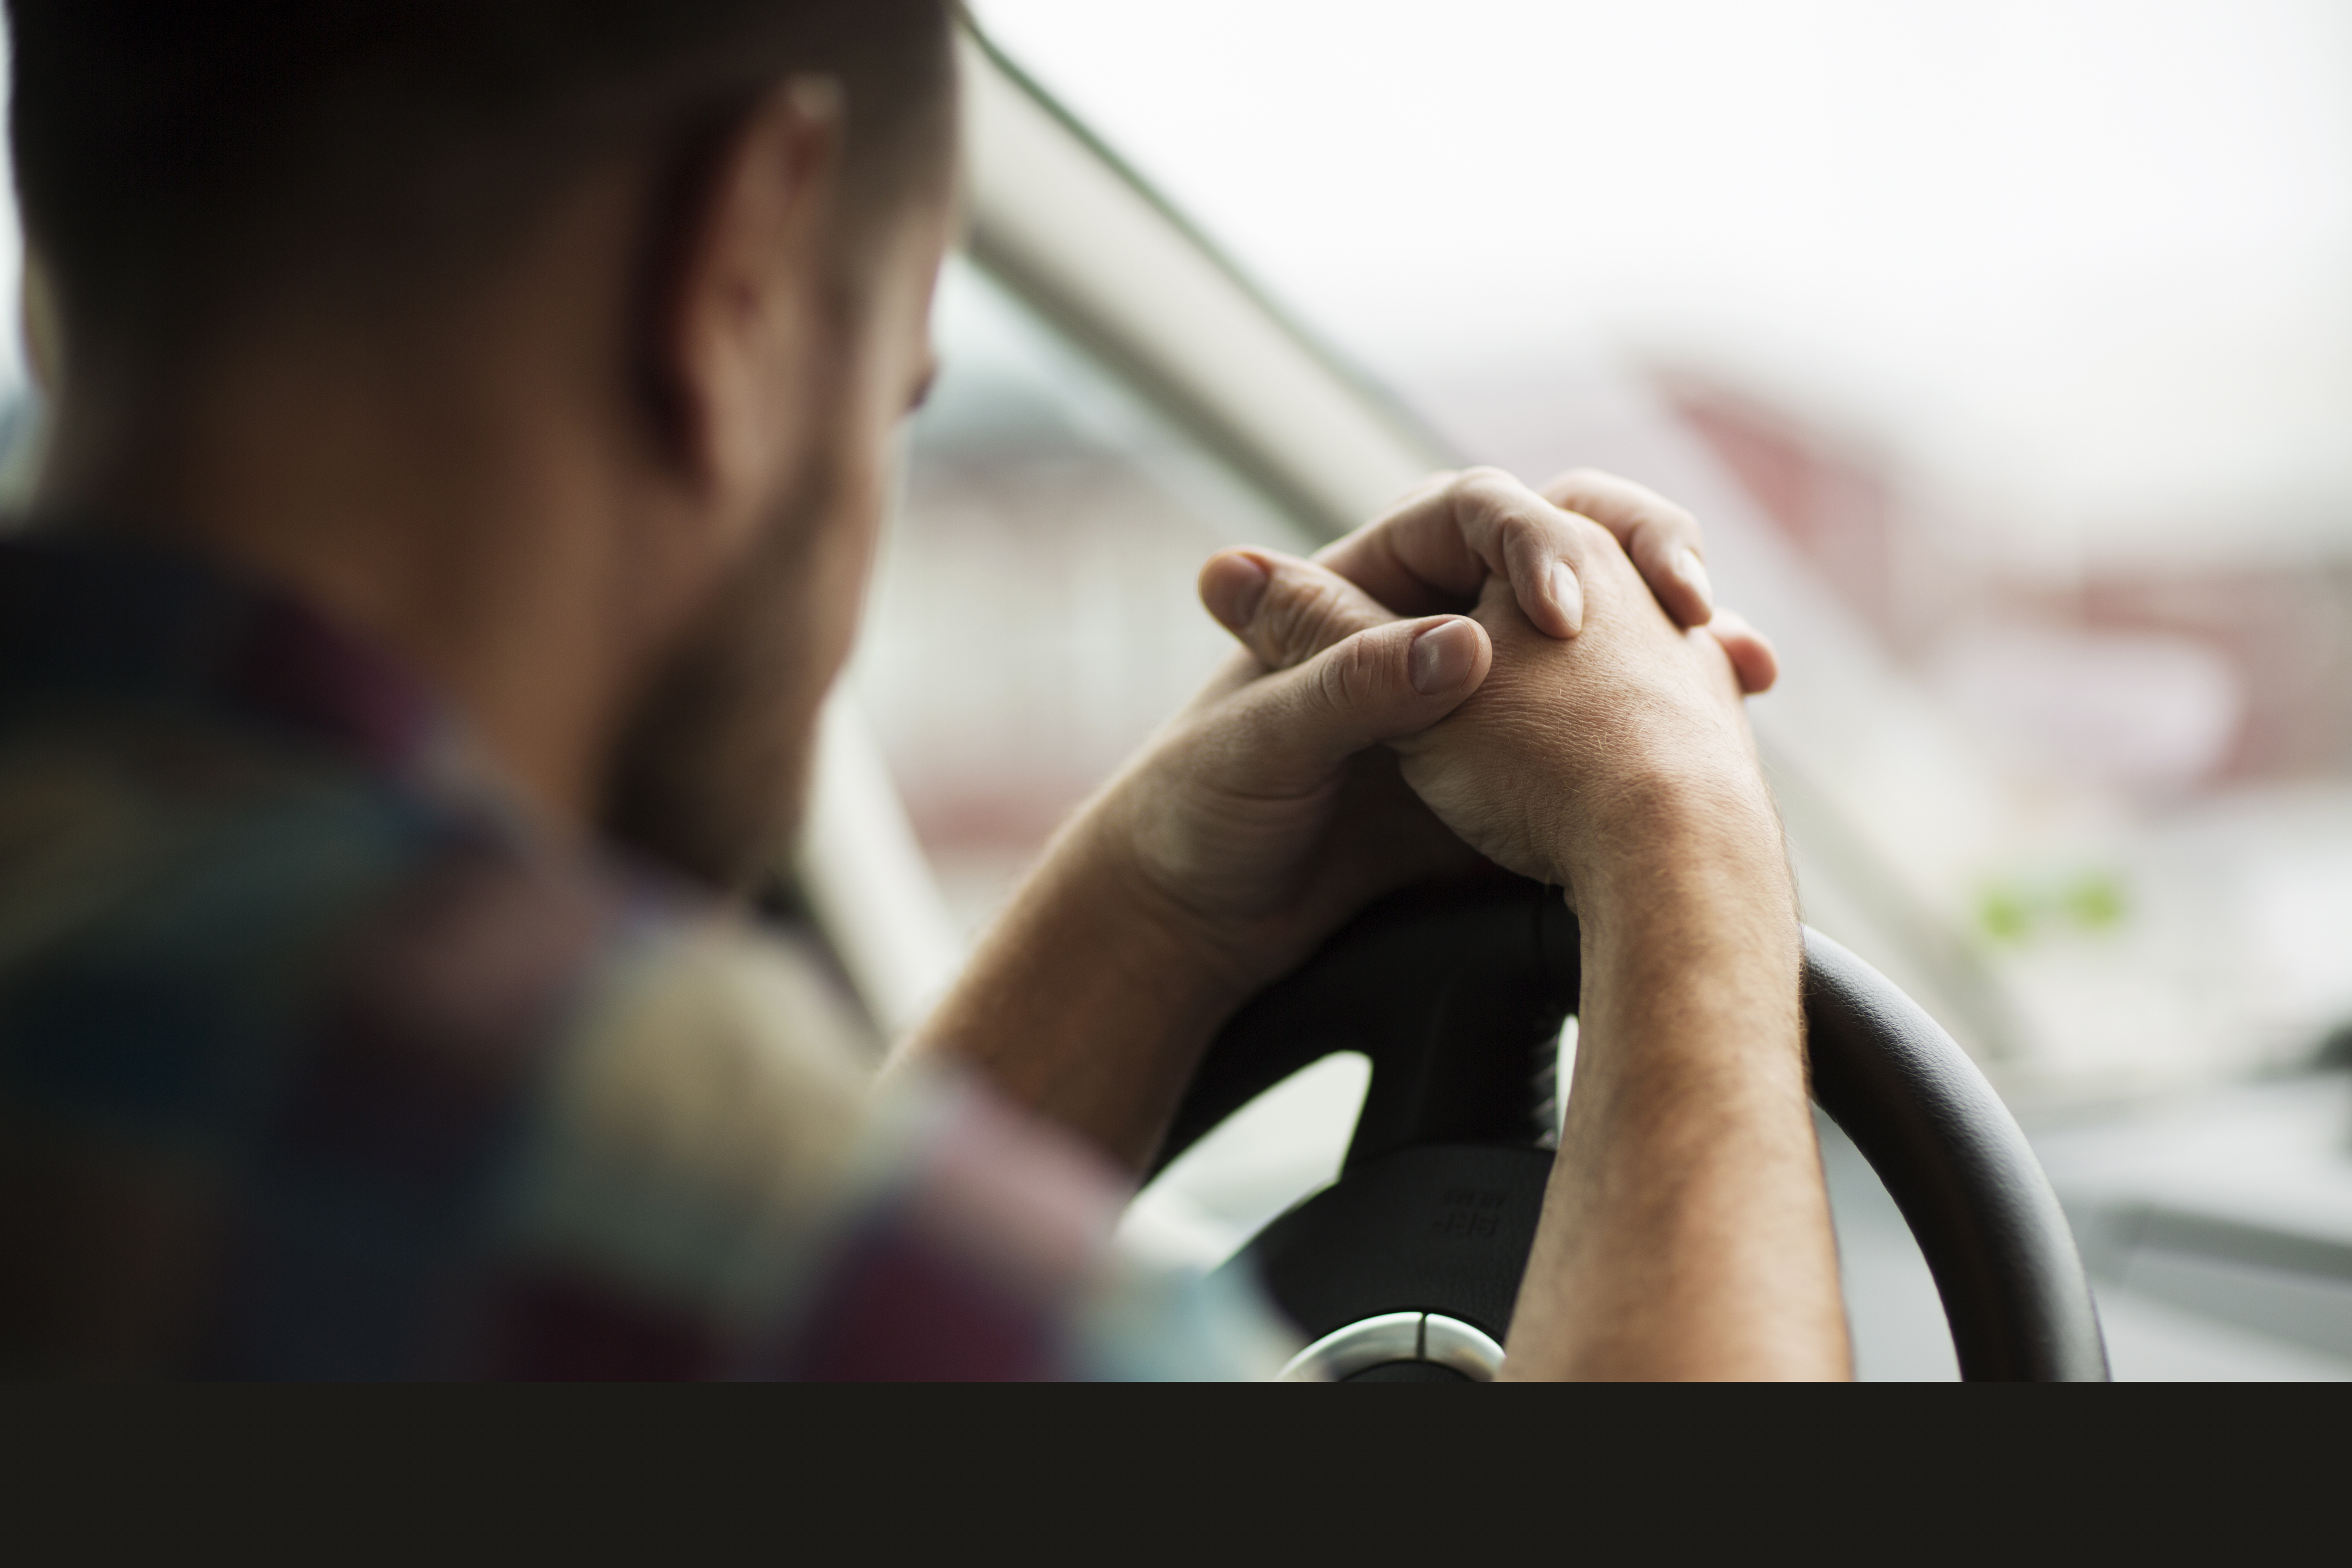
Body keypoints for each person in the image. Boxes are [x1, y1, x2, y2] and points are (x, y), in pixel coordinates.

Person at [0, 0, 1847, 1379]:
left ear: (46, 296)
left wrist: (1147, 908)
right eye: (895, 393)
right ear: (733, 266)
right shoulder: (760, 1265)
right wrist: (1680, 844)